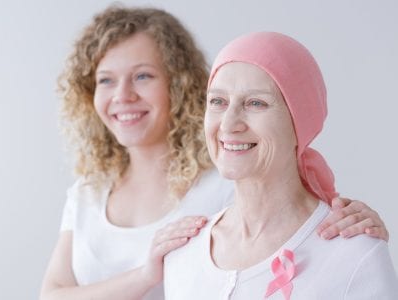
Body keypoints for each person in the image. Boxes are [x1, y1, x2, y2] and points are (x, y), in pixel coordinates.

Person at [40, 6, 389, 300]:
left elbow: (295, 209)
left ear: (179, 85)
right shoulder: (87, 193)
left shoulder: (226, 178)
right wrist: (146, 275)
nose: (123, 95)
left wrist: (356, 233)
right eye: (105, 80)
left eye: (143, 76)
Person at [164, 31, 398, 299]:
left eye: (256, 103)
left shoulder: (353, 255)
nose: (228, 124)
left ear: (300, 122)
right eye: (218, 102)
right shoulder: (183, 252)